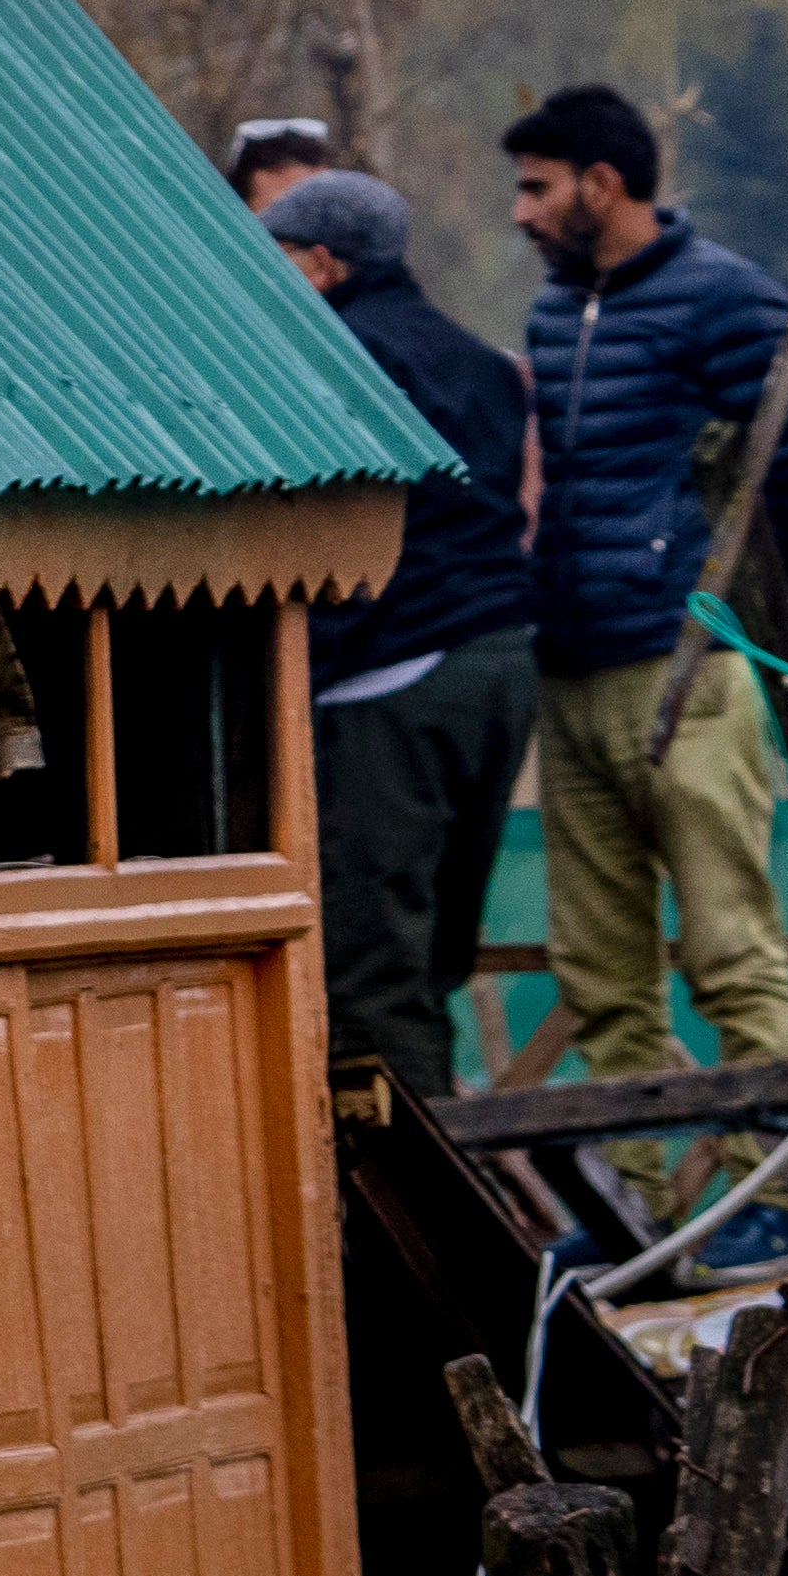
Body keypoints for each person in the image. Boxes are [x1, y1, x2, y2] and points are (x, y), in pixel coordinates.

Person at [505, 82, 788, 1068]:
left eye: (536, 187)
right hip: (570, 669)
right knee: (598, 969)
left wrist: (711, 595)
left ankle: (770, 1200)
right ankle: (637, 1209)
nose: (519, 211)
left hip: (683, 669)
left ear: (602, 183)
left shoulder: (725, 296)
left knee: (728, 945)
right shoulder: (553, 310)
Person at [260, 169, 532, 1093]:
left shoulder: (343, 357)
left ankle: (412, 1219)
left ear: (326, 264)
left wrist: (295, 677)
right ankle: (459, 1171)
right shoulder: (478, 362)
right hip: (498, 666)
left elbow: (348, 544)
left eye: (279, 258)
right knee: (436, 945)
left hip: (392, 680)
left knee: (370, 961)